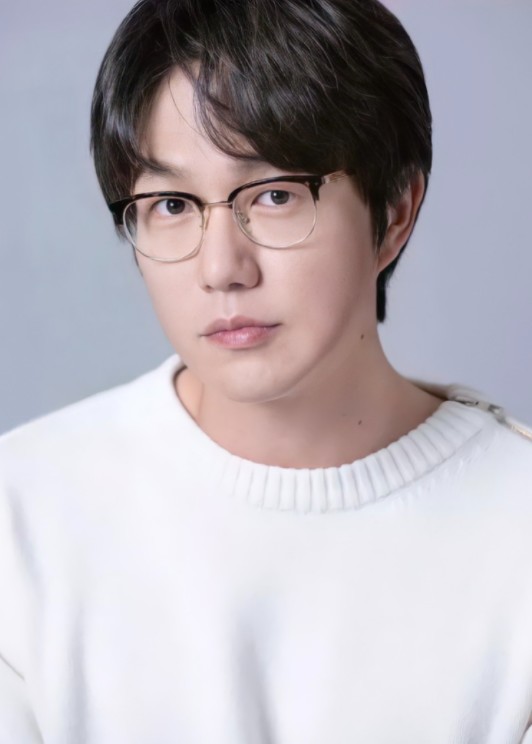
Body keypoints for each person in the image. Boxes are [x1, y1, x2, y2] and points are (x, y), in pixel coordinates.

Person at [1, 0, 531, 741]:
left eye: (275, 195)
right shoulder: (23, 516)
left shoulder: (516, 529)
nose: (221, 267)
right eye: (172, 204)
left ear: (395, 211)